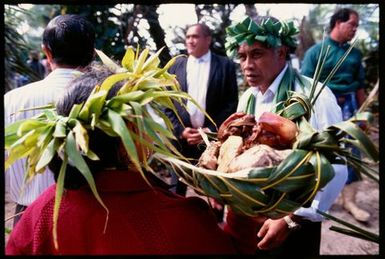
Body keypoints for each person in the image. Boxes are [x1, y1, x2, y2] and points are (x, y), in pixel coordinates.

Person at [5, 65, 260, 255]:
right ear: (131, 138)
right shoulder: (178, 220)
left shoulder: (42, 214)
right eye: (145, 124)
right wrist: (241, 202)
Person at [224, 15, 348, 256]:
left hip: (292, 225)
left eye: (257, 54)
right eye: (242, 56)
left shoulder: (314, 97)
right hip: (250, 215)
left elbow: (335, 167)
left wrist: (293, 218)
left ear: (281, 53)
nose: (247, 64)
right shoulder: (248, 97)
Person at [4, 14, 96, 227]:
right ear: (92, 54)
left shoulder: (11, 100)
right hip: (88, 221)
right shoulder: (108, 99)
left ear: (47, 51)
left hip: (27, 220)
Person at [301, 8, 369, 222]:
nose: (354, 29)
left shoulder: (354, 54)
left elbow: (359, 86)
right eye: (352, 24)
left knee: (352, 154)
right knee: (323, 153)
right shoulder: (315, 52)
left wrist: (363, 113)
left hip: (350, 108)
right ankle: (321, 201)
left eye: (356, 26)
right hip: (322, 108)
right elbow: (304, 85)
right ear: (338, 23)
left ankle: (350, 202)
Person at [165, 23, 238, 197]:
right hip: (181, 141)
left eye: (195, 36)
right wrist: (181, 131)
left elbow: (231, 103)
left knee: (215, 193)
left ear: (208, 40)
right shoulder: (175, 65)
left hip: (211, 142)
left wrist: (211, 131)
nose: (190, 41)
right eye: (188, 37)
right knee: (176, 193)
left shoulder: (224, 65)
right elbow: (165, 102)